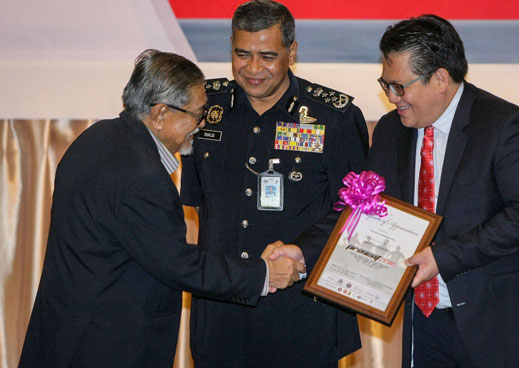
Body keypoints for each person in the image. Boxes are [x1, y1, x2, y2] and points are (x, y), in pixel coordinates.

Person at [18, 49, 304, 368]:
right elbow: (180, 265)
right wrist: (263, 274)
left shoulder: (95, 138)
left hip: (65, 334)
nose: (199, 126)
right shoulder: (144, 178)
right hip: (108, 348)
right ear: (160, 114)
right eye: (196, 115)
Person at [368, 15, 519, 367]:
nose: (391, 97)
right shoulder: (391, 131)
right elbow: (376, 211)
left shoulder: (505, 125)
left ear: (439, 79)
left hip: (504, 325)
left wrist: (442, 257)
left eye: (400, 87)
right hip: (427, 321)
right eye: (385, 84)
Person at [180, 0, 368, 367]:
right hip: (221, 319)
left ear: (291, 52)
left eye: (267, 56)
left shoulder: (334, 118)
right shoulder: (204, 108)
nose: (252, 69)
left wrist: (302, 251)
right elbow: (195, 208)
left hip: (301, 315)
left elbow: (360, 208)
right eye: (241, 54)